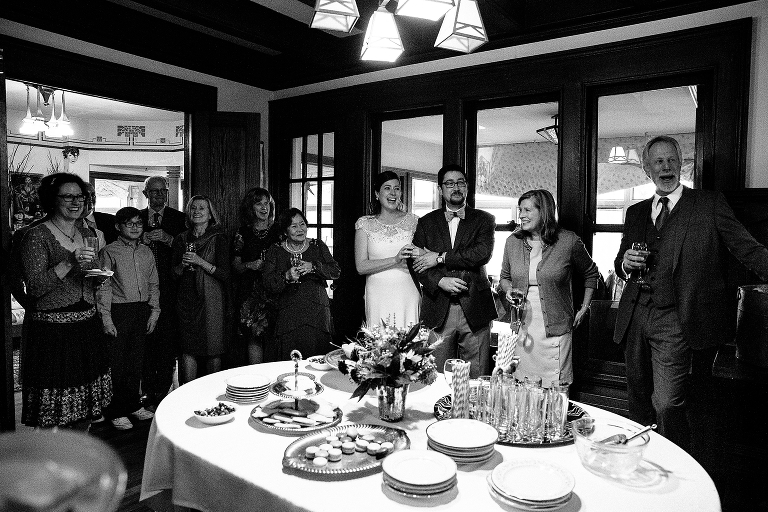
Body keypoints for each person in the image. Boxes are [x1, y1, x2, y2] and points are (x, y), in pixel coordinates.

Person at [613, 135, 768, 450]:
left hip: (677, 318)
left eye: (672, 160)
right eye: (658, 161)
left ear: (681, 164)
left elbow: (747, 248)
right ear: (646, 168)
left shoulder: (708, 204)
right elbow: (620, 263)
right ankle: (641, 462)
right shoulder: (635, 212)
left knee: (667, 402)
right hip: (635, 315)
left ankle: (675, 466)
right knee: (638, 398)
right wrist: (625, 263)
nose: (666, 167)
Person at [20, 172, 112, 429]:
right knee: (52, 412)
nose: (76, 202)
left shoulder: (87, 232)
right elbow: (35, 288)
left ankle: (78, 452)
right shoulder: (36, 236)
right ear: (52, 200)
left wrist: (98, 277)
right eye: (68, 197)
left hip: (86, 328)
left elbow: (89, 275)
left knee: (85, 410)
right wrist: (69, 261)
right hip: (53, 334)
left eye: (80, 197)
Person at [498, 189, 599, 387]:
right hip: (523, 330)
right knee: (523, 390)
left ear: (543, 211)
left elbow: (591, 274)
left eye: (527, 210)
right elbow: (504, 277)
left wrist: (584, 308)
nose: (521, 215)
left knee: (554, 393)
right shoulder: (512, 242)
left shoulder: (568, 241)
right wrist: (508, 289)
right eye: (520, 210)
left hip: (557, 330)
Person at [411, 164, 497, 378]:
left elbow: (481, 254)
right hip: (438, 308)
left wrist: (440, 257)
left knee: (477, 375)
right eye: (449, 184)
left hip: (475, 307)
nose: (456, 187)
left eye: (460, 183)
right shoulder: (426, 222)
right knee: (436, 375)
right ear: (440, 189)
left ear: (467, 187)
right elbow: (417, 263)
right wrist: (440, 281)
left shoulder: (484, 219)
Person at [97, 207, 160, 430]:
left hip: (141, 310)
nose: (135, 227)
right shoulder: (109, 251)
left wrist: (154, 311)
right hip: (119, 310)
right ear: (118, 226)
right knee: (117, 363)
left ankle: (133, 405)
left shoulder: (146, 251)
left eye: (138, 223)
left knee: (136, 361)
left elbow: (153, 283)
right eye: (129, 223)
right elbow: (103, 286)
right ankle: (116, 410)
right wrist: (106, 318)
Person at [263, 208, 341, 361]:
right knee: (289, 359)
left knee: (318, 357)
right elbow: (267, 283)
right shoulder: (275, 250)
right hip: (288, 313)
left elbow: (335, 271)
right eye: (294, 226)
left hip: (317, 312)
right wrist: (286, 276)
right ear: (285, 231)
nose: (300, 229)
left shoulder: (318, 246)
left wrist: (313, 267)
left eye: (302, 224)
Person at [139, 176, 187, 408]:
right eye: (154, 191)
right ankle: (147, 391)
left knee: (167, 342)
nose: (159, 195)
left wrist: (170, 240)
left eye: (163, 191)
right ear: (146, 193)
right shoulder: (137, 218)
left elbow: (189, 247)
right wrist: (140, 239)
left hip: (171, 288)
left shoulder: (180, 218)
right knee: (146, 342)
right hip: (141, 289)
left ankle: (164, 391)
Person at [172, 195, 230, 383]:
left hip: (211, 299)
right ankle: (188, 391)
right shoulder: (181, 239)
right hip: (186, 299)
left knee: (213, 347)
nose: (197, 211)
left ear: (210, 214)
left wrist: (200, 262)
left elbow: (225, 274)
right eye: (193, 208)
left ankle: (212, 390)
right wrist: (182, 265)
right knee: (188, 348)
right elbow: (173, 274)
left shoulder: (219, 238)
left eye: (202, 208)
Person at [354, 171, 421, 328]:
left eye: (397, 188)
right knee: (380, 339)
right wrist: (395, 259)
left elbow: (423, 255)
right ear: (377, 194)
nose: (393, 193)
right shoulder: (364, 224)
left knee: (409, 338)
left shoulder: (414, 221)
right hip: (377, 293)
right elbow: (361, 267)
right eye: (387, 188)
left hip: (407, 290)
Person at [232, 188, 281, 365]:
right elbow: (235, 267)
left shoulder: (279, 231)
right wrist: (250, 265)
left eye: (266, 203)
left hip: (276, 290)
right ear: (250, 207)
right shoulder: (242, 233)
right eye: (258, 203)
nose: (264, 207)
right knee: (254, 336)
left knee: (276, 337)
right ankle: (258, 377)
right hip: (250, 293)